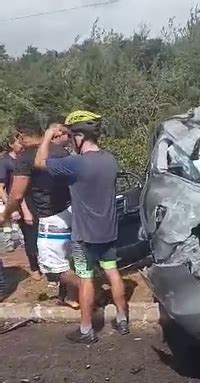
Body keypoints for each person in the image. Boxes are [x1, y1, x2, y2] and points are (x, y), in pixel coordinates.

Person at [35, 111, 129, 344]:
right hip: (108, 230)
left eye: (71, 135)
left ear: (79, 137)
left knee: (85, 278)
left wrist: (47, 136)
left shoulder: (76, 163)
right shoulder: (110, 160)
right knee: (113, 272)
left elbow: (39, 163)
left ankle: (87, 330)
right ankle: (122, 319)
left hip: (84, 235)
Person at [0, 116, 79, 308]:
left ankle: (88, 289)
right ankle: (70, 296)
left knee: (52, 266)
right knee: (69, 258)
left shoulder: (25, 158)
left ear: (22, 136)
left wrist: (5, 214)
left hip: (49, 215)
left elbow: (17, 194)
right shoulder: (60, 150)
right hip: (70, 211)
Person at [0, 133, 41, 279]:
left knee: (38, 234)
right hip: (19, 202)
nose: (22, 144)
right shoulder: (6, 162)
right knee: (29, 236)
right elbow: (3, 188)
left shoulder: (27, 157)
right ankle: (34, 267)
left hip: (33, 200)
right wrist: (11, 208)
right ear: (11, 145)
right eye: (18, 142)